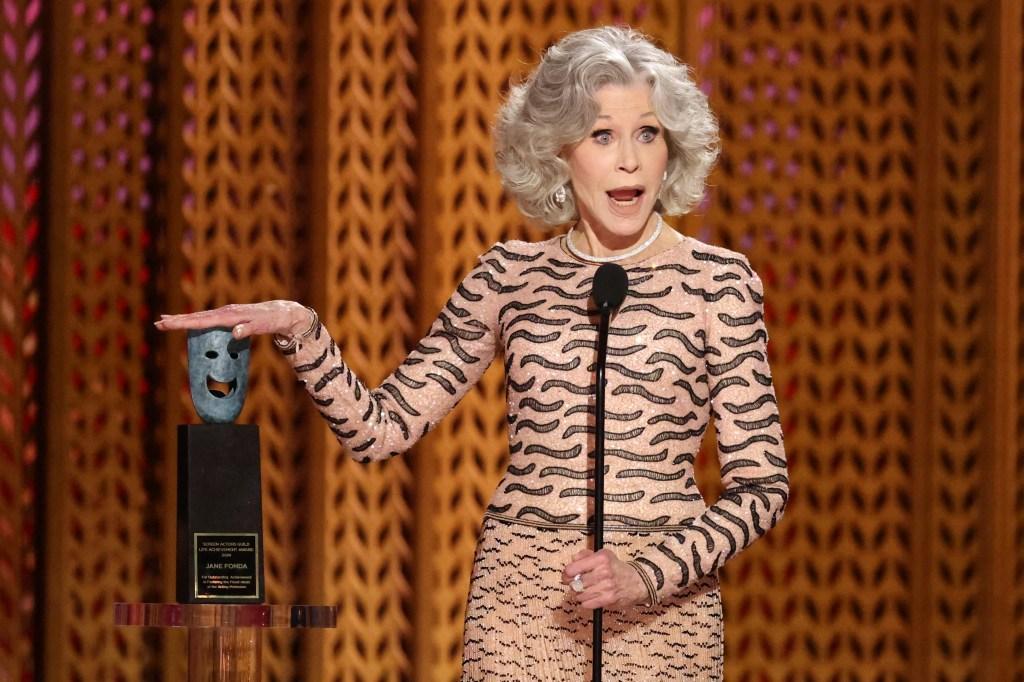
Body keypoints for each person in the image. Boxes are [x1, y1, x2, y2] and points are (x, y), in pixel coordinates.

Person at [156, 25, 788, 681]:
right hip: (524, 610)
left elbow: (761, 487)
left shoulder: (719, 282)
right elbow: (380, 430)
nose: (629, 159)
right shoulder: (508, 276)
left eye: (648, 133)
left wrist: (648, 572)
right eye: (602, 135)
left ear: (671, 148)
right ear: (558, 150)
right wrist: (302, 332)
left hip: (665, 624)